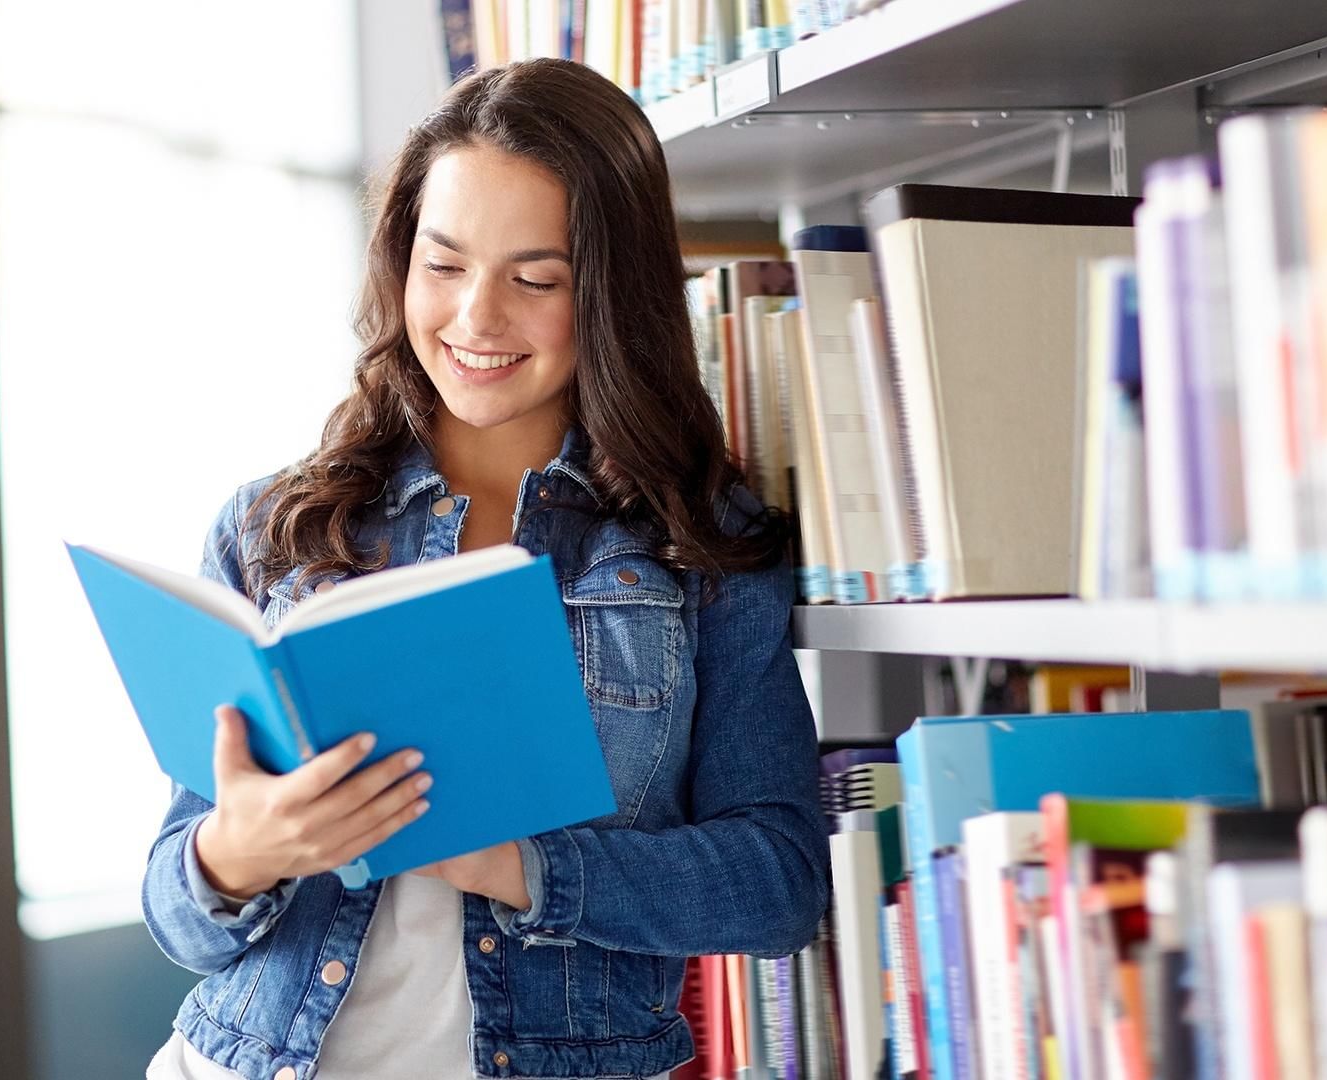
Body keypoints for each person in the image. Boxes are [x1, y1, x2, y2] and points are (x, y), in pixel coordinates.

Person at [141, 57, 829, 1080]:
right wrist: (237, 853)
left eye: (535, 279)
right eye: (444, 265)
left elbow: (779, 884)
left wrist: (521, 867)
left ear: (608, 294)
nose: (475, 320)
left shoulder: (699, 545)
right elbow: (176, 913)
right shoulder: (276, 525)